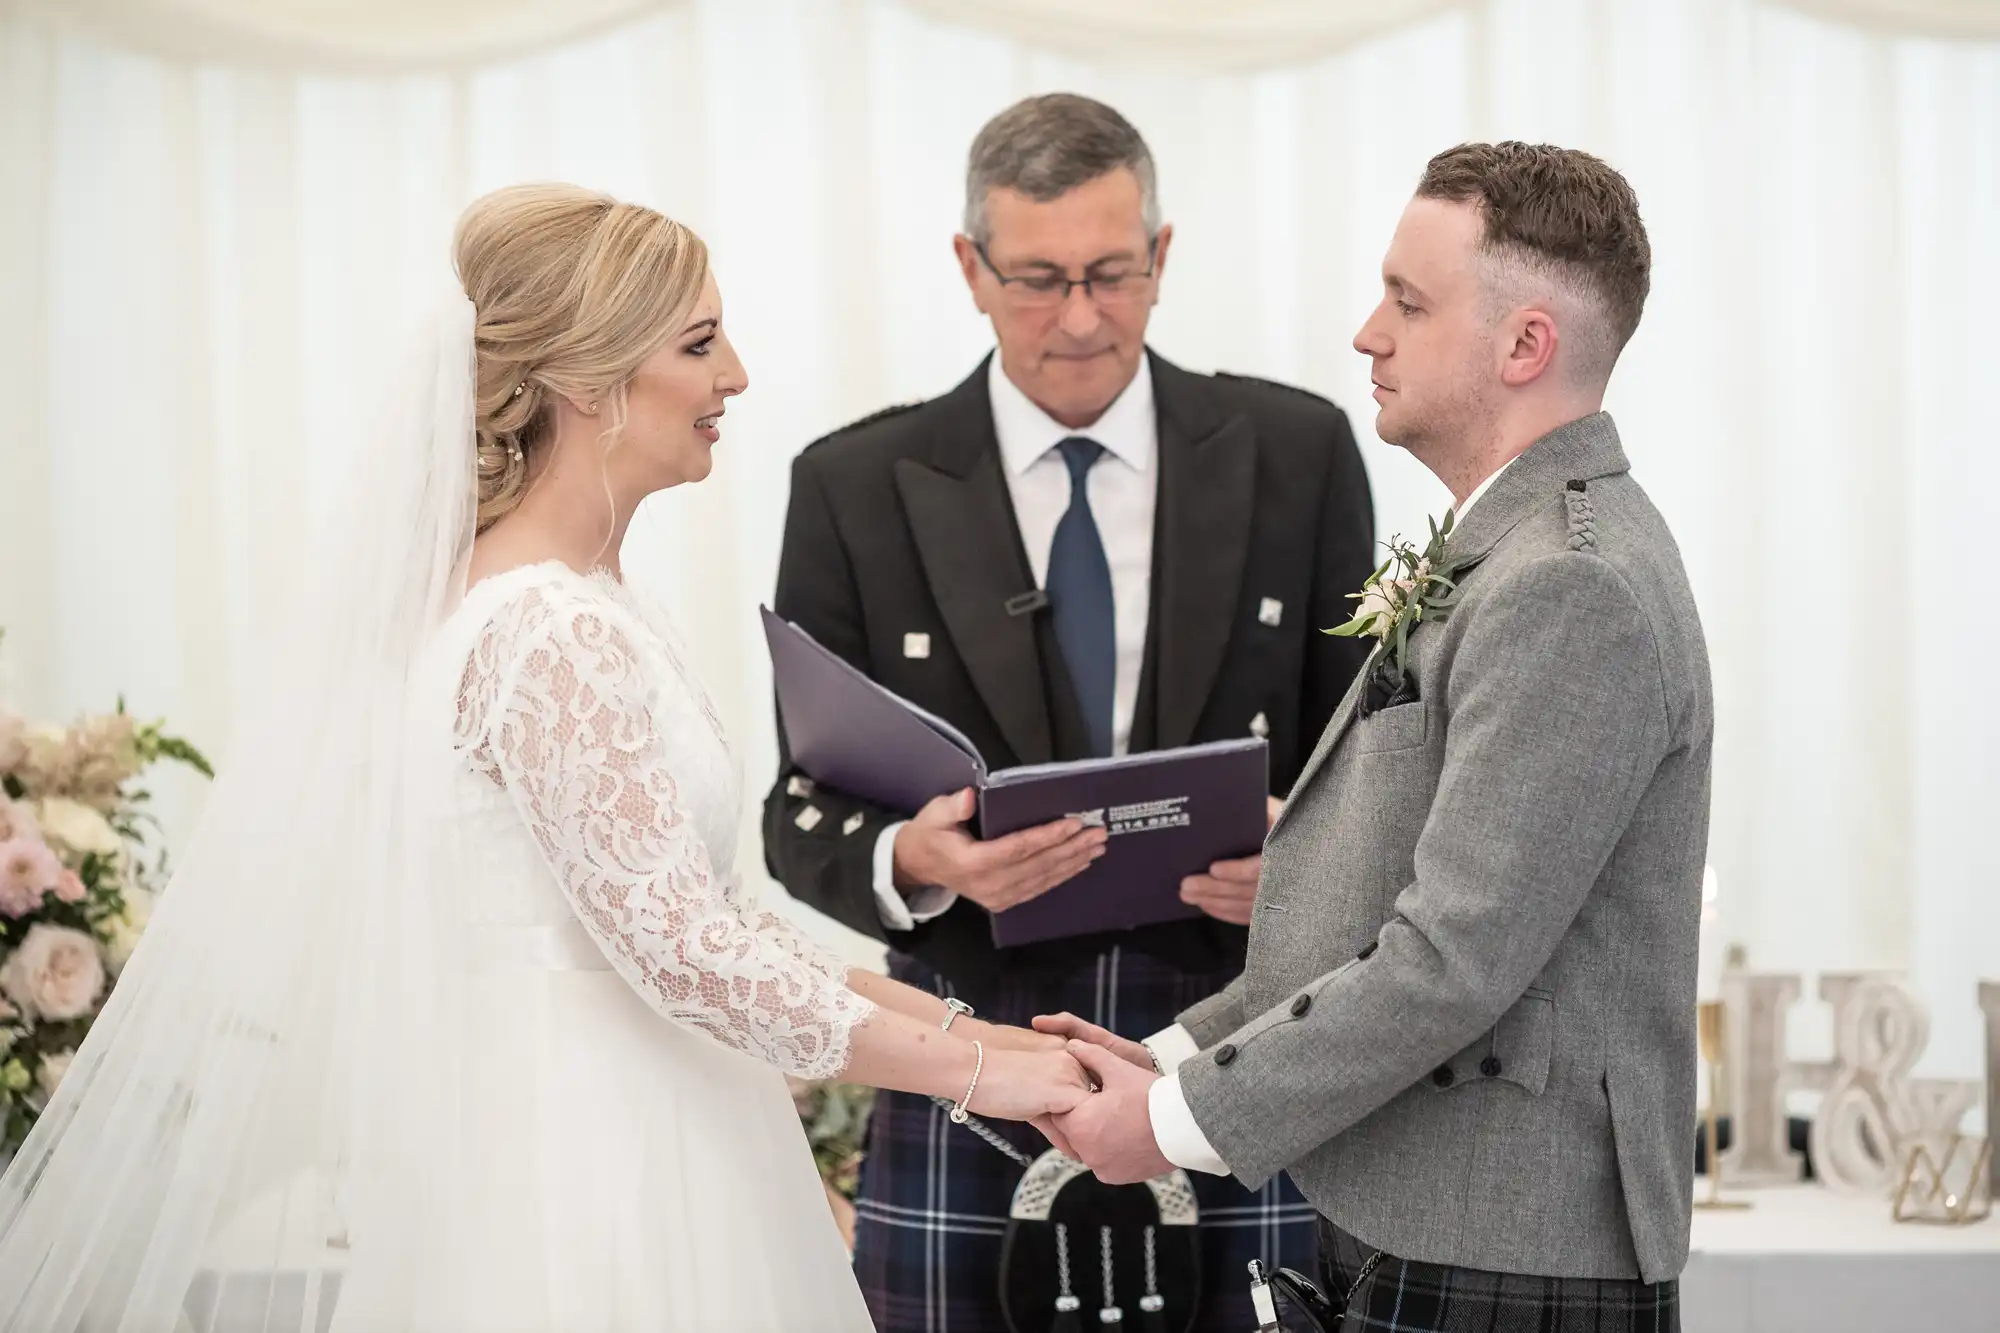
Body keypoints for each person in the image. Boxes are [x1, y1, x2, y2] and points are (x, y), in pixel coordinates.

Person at [0, 183, 1091, 1332]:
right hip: (584, 1153)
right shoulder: (544, 629)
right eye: (699, 342)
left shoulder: (595, 605)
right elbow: (685, 956)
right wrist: (989, 1080)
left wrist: (983, 1035)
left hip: (656, 1112)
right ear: (583, 378)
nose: (736, 377)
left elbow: (703, 914)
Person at [1042, 142, 1709, 1333]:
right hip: (1433, 1221)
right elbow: (1360, 901)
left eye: (1407, 301)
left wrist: (1170, 1126)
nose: (1366, 332)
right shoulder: (1512, 555)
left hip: (1507, 1245)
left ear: (1523, 345)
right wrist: (1169, 1058)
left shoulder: (1570, 586)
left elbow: (1449, 957)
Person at [764, 94, 1376, 1332]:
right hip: (967, 1056)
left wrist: (1309, 871)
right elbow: (799, 811)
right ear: (969, 269)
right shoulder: (852, 485)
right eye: (1038, 279)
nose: (1081, 317)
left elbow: (1370, 765)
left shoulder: (1296, 451)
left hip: (1238, 1052)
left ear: (1160, 256)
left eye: (1110, 272)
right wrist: (912, 861)